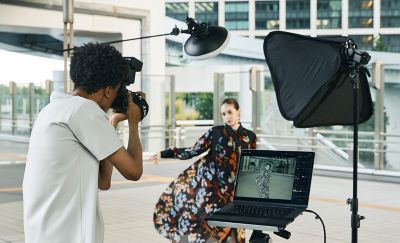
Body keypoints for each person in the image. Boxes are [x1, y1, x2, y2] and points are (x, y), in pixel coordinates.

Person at [23, 43, 144, 243]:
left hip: (45, 234)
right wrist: (133, 123)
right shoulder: (83, 111)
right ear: (107, 91)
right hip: (67, 236)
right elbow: (134, 172)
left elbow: (103, 182)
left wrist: (112, 121)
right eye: (115, 91)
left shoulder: (54, 109)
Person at [152, 98, 257, 243]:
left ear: (238, 111)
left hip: (236, 193)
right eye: (224, 114)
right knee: (212, 232)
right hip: (215, 193)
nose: (227, 117)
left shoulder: (249, 136)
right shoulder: (215, 132)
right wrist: (165, 153)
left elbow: (251, 165)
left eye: (230, 112)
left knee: (237, 233)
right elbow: (193, 151)